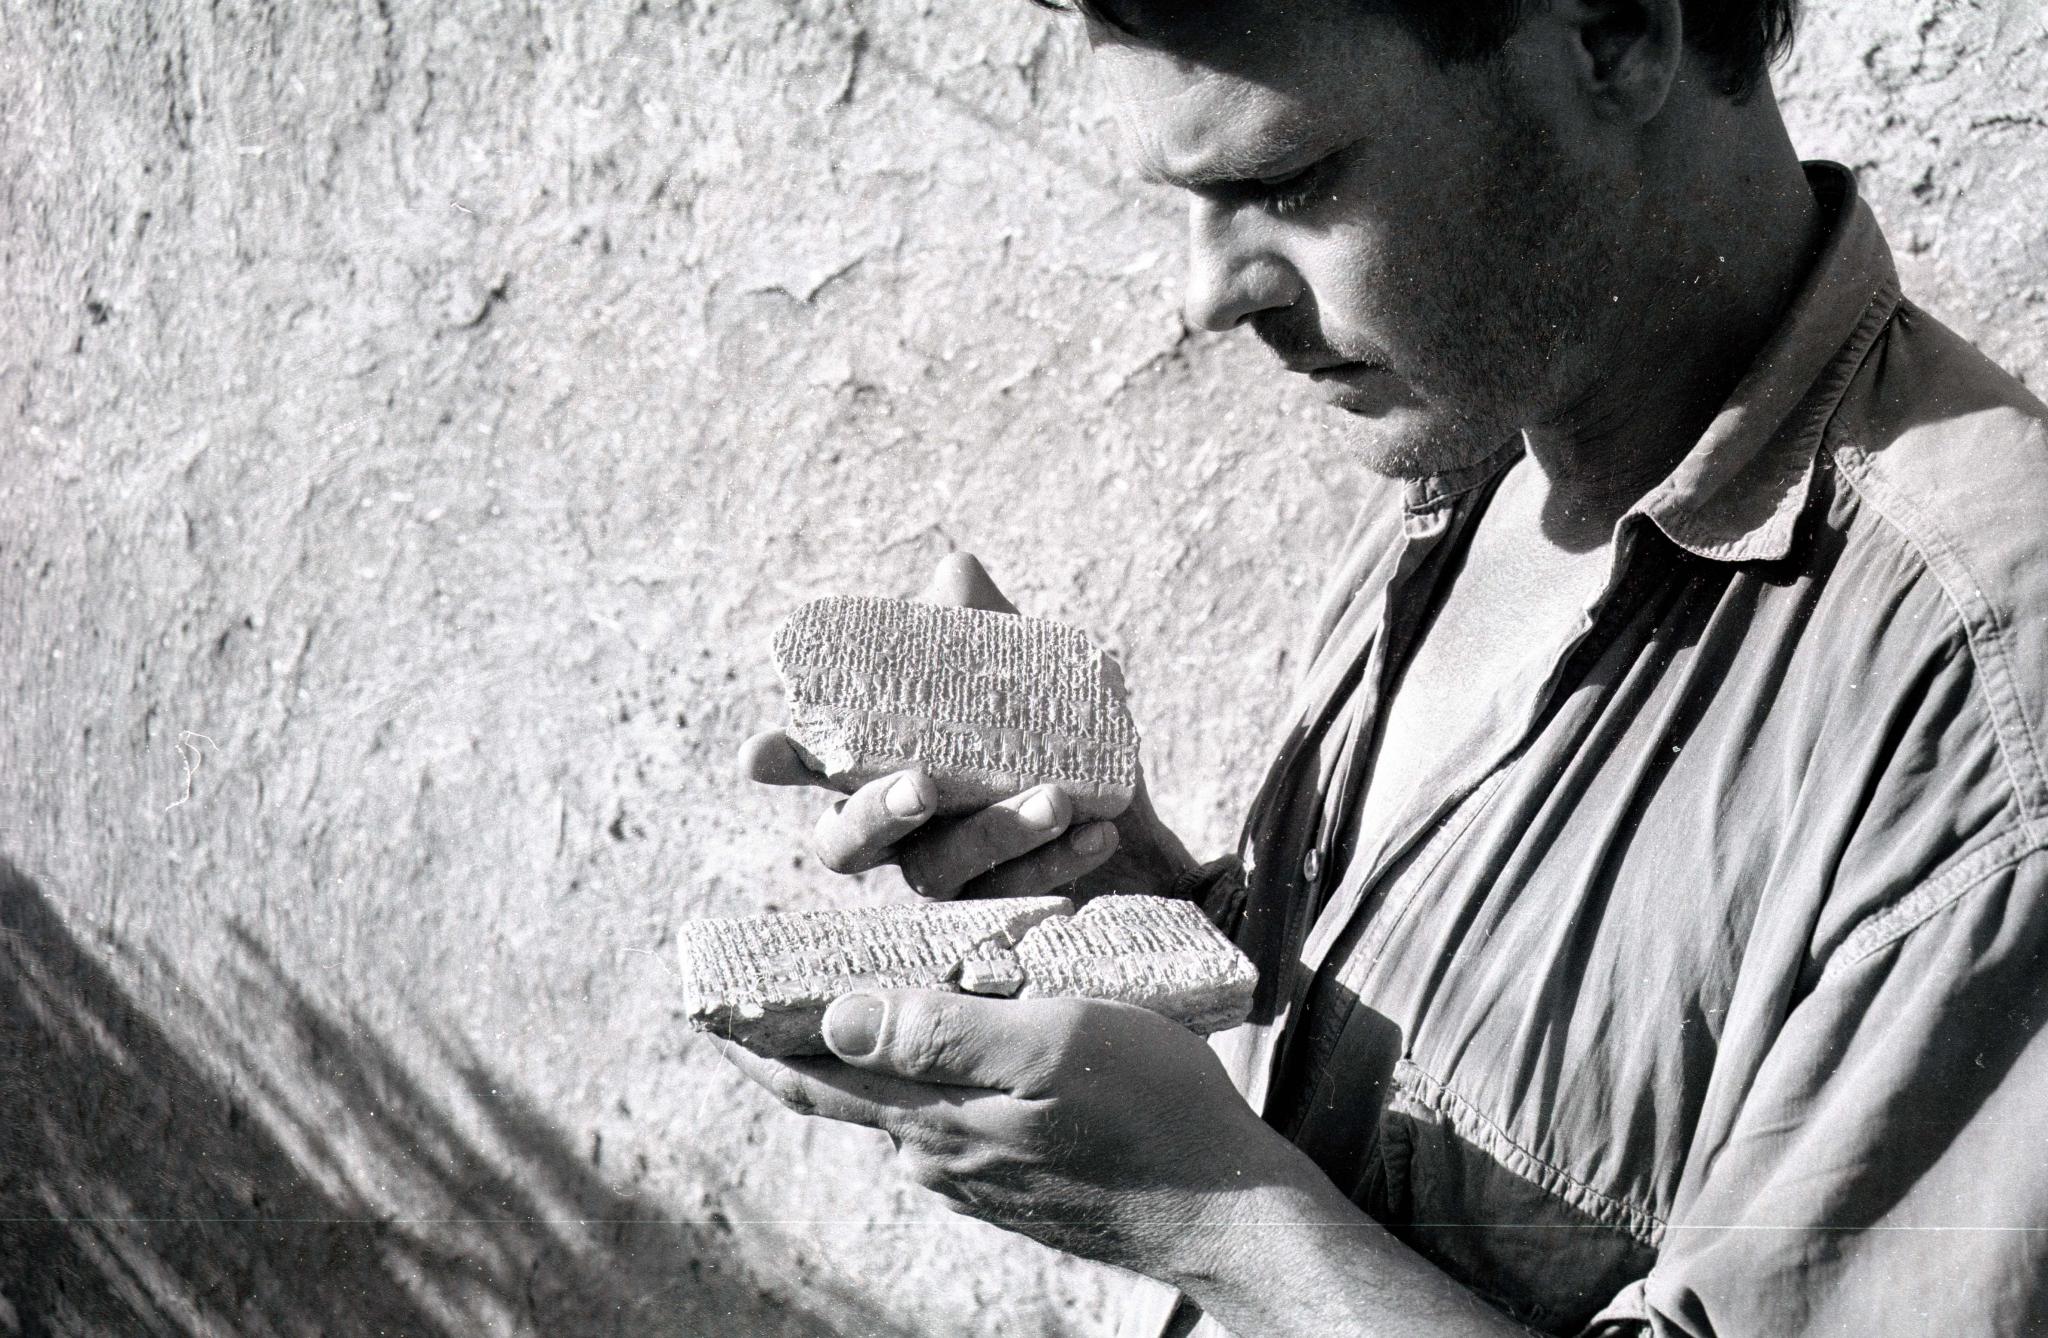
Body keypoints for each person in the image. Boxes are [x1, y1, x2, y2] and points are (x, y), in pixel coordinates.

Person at [725, 0, 2048, 1332]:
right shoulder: (1476, 448)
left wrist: (1209, 1217)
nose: (1203, 296)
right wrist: (1120, 896)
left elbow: (1266, 1197)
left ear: (1615, 36)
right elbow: (1388, 1112)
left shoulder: (1984, 707)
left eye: (1287, 181)